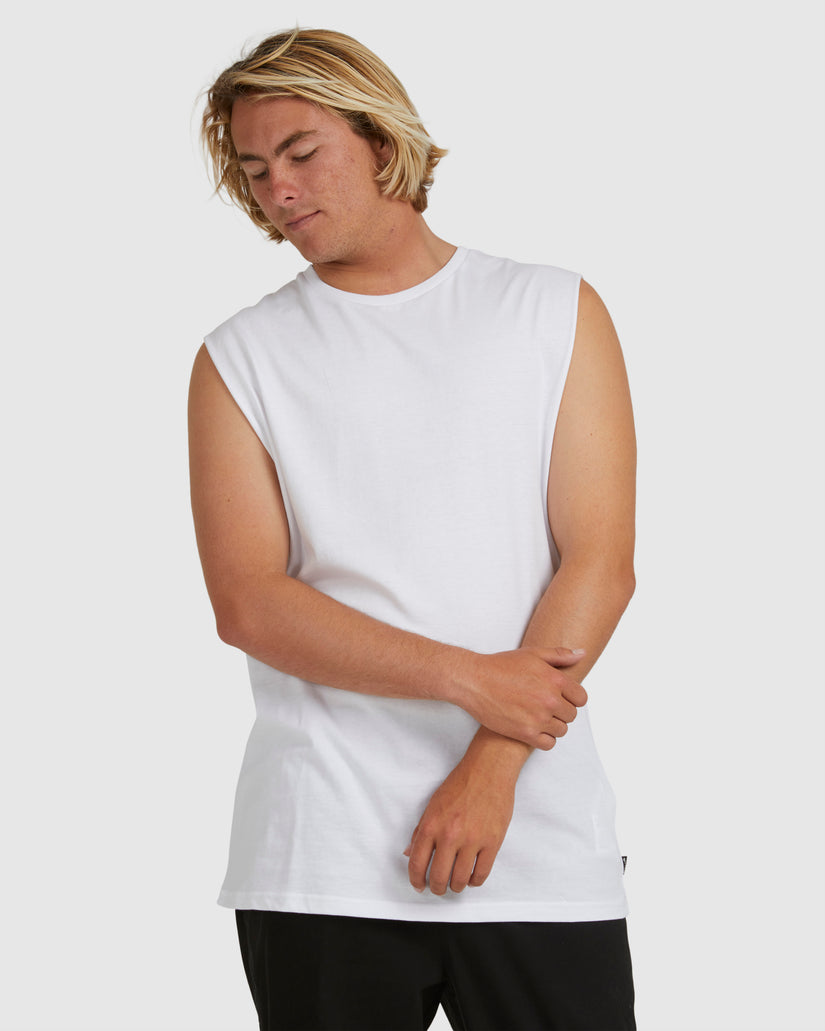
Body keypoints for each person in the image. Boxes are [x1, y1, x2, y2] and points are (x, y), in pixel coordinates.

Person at [190, 27, 637, 1031]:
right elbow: (250, 602)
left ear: (383, 139)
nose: (279, 190)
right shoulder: (240, 357)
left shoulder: (551, 310)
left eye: (301, 152)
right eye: (255, 171)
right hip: (320, 850)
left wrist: (493, 764)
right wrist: (468, 677)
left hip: (538, 843)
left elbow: (599, 562)